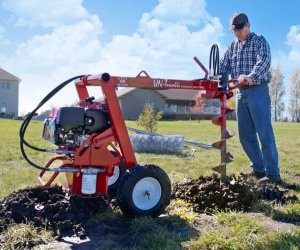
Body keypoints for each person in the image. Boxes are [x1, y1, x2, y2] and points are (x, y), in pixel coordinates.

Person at [219, 12, 281, 183]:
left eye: (239, 29)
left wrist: (250, 76)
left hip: (257, 90)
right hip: (241, 93)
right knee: (245, 135)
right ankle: (259, 168)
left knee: (264, 133)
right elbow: (223, 65)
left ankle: (273, 173)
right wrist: (217, 77)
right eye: (234, 30)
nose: (237, 33)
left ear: (248, 25)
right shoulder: (232, 46)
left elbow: (264, 60)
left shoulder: (259, 41)